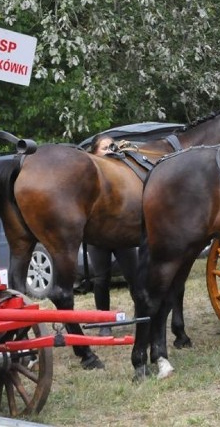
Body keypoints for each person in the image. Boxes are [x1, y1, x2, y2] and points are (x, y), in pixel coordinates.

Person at [88, 134, 138, 336]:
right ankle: (104, 322)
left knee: (134, 275)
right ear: (94, 152)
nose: (109, 150)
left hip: (120, 231)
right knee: (101, 279)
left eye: (112, 147)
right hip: (98, 234)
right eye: (104, 147)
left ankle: (142, 313)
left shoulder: (120, 172)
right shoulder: (90, 174)